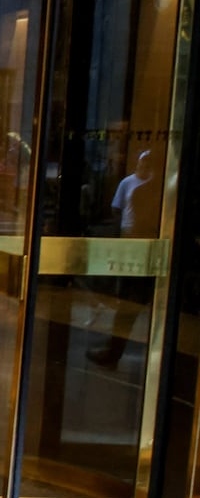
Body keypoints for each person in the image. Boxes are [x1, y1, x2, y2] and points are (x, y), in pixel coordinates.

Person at [89, 149, 160, 368]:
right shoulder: (147, 190)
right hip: (137, 243)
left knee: (130, 303)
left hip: (139, 245)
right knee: (134, 301)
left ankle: (115, 351)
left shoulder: (145, 192)